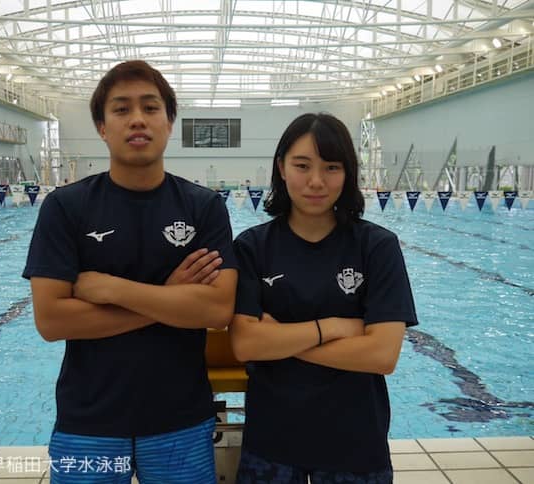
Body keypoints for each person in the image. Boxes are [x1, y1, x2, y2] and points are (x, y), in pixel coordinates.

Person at [22, 60, 238, 484]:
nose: (137, 119)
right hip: (88, 422)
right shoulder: (65, 207)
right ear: (102, 127)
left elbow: (216, 310)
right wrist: (171, 296)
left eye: (150, 108)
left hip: (181, 420)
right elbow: (51, 320)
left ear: (169, 123)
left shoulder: (203, 207)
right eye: (121, 109)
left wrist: (113, 289)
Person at [230, 113, 418, 483]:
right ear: (281, 168)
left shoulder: (377, 247)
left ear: (347, 173)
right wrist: (331, 327)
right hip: (272, 443)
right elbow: (245, 344)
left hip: (355, 444)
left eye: (331, 167)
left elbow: (382, 355)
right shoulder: (252, 247)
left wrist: (280, 341)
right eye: (302, 166)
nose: (316, 181)